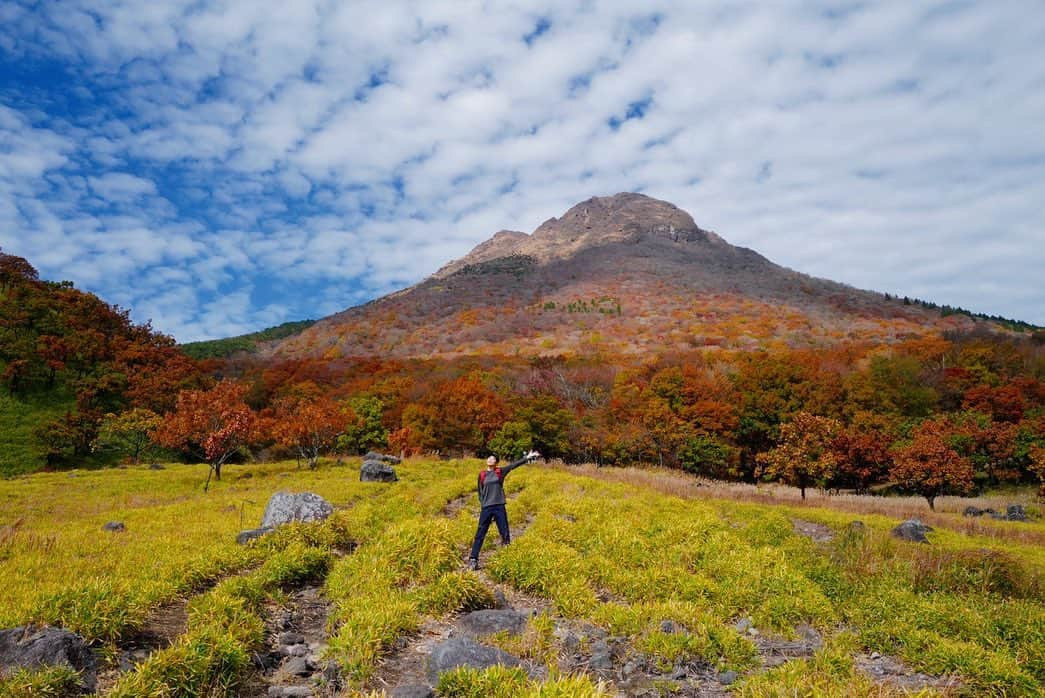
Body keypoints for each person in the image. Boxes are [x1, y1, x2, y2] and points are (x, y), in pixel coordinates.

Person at [468, 450, 540, 570]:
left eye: (493, 458)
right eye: (489, 458)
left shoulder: (499, 472)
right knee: (480, 533)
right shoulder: (482, 474)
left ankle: (508, 558)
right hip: (486, 507)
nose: (490, 459)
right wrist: (483, 503)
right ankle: (473, 559)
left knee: (505, 533)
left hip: (499, 506)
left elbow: (513, 466)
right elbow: (480, 492)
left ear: (496, 462)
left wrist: (527, 458)